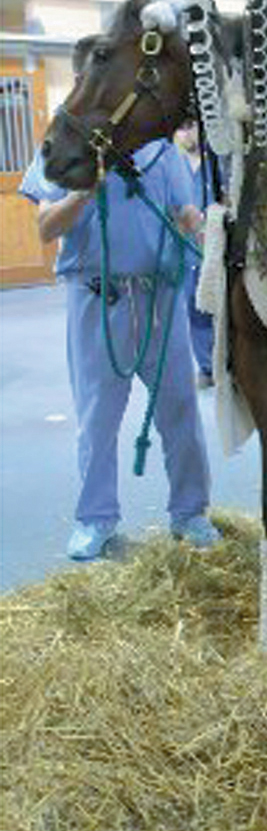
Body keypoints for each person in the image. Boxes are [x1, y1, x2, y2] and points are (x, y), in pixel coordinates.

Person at [19, 139, 221, 561]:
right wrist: (85, 190)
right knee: (97, 418)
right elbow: (45, 228)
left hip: (160, 299)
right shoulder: (63, 146)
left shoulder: (163, 153)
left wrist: (197, 225)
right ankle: (96, 519)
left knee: (181, 409)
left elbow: (186, 214)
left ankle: (190, 512)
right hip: (97, 298)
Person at [174, 122, 214, 386]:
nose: (188, 134)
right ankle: (207, 367)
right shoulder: (173, 165)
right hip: (185, 252)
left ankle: (225, 364)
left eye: (192, 127)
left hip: (215, 245)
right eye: (182, 129)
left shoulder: (216, 163)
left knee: (221, 306)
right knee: (194, 308)